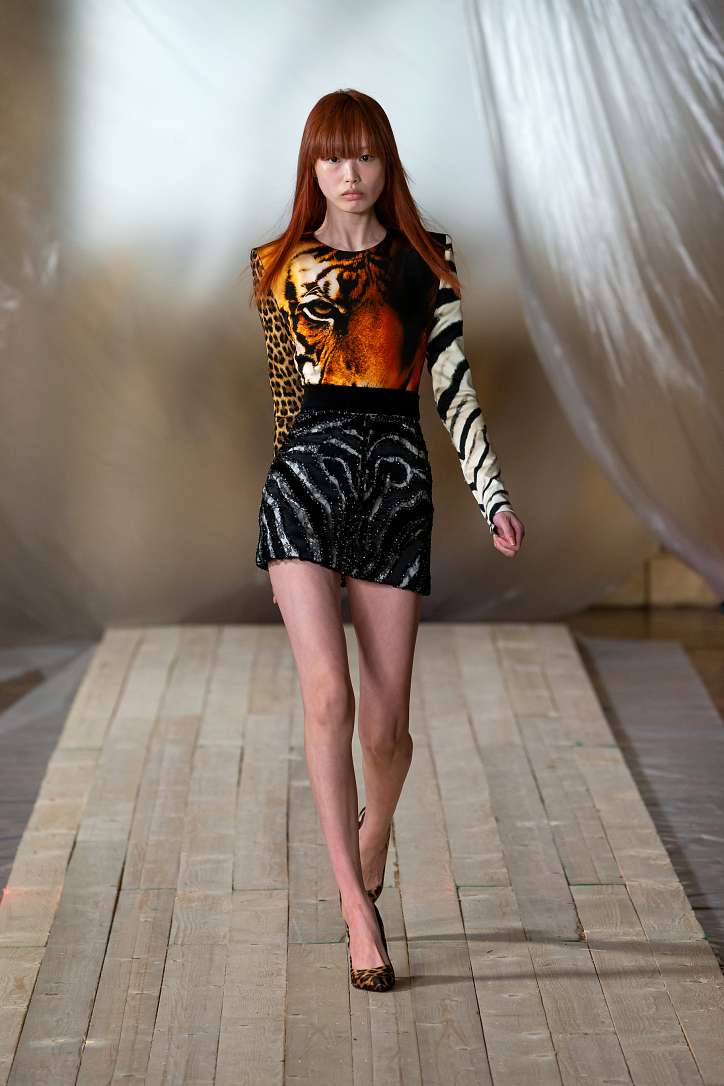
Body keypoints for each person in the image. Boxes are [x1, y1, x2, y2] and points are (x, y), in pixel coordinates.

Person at [248, 89, 525, 992]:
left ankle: (375, 835)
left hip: (398, 487)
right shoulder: (278, 266)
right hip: (305, 486)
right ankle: (357, 908)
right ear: (312, 166)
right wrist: (278, 498)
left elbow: (454, 386)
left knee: (386, 726)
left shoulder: (427, 261)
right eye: (333, 156)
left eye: (364, 154)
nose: (350, 172)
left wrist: (491, 498)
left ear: (386, 163)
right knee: (327, 697)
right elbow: (286, 400)